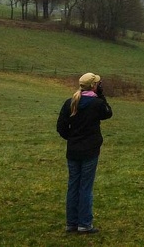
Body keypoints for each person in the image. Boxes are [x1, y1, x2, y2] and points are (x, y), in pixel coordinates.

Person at [57, 72, 113, 234]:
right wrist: (101, 96)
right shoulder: (96, 104)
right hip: (90, 151)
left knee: (73, 186)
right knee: (85, 188)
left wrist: (72, 138)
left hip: (73, 150)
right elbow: (108, 113)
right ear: (94, 86)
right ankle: (84, 224)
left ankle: (71, 223)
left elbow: (61, 127)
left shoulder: (70, 102)